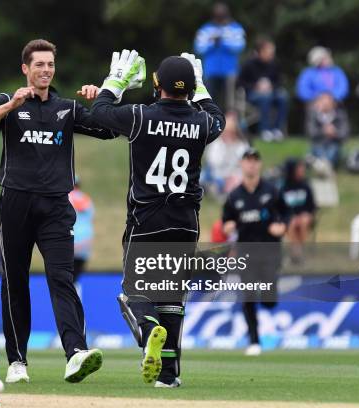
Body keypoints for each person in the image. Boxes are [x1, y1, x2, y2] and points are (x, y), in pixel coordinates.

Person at [0, 39, 116, 384]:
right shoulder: (7, 101)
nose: (46, 70)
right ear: (26, 69)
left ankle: (75, 353)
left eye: (50, 64)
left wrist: (103, 100)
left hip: (55, 206)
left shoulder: (66, 108)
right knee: (15, 281)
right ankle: (18, 360)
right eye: (39, 64)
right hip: (15, 204)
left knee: (61, 278)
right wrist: (9, 108)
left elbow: (109, 131)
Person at [88, 50, 225, 387]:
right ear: (189, 88)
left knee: (133, 293)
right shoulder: (202, 122)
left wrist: (115, 80)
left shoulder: (141, 116)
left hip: (148, 217)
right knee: (172, 298)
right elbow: (217, 117)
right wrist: (202, 86)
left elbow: (99, 112)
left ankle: (149, 331)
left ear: (157, 85)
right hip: (185, 220)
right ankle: (168, 375)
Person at [222, 148, 287, 356]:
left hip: (270, 251)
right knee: (248, 295)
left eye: (255, 160)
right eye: (247, 160)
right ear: (242, 164)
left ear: (259, 164)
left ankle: (268, 301)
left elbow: (286, 213)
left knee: (269, 300)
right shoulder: (235, 196)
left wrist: (282, 226)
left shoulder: (272, 190)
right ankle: (254, 341)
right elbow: (226, 221)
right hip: (246, 251)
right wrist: (229, 226)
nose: (251, 164)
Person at [194, 2, 245, 111]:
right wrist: (213, 44)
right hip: (211, 71)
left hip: (229, 71)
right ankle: (210, 120)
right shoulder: (205, 29)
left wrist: (223, 42)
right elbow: (198, 48)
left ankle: (228, 124)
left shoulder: (235, 28)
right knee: (209, 99)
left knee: (229, 102)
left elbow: (240, 46)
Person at [238, 37, 289, 141]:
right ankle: (265, 130)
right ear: (260, 51)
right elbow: (240, 83)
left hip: (271, 92)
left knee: (283, 96)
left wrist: (271, 86)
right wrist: (256, 86)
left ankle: (277, 130)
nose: (271, 54)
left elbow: (279, 81)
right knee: (265, 97)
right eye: (269, 51)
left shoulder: (274, 64)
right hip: (252, 95)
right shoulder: (248, 64)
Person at [202, 111, 248, 198]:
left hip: (233, 176)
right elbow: (213, 162)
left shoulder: (242, 146)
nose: (227, 135)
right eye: (225, 132)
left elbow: (242, 166)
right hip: (216, 175)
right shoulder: (216, 143)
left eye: (230, 132)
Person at [280, 159, 316, 264]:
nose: (302, 170)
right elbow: (281, 207)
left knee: (303, 221)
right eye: (299, 168)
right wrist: (291, 216)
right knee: (292, 223)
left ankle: (297, 253)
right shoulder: (284, 187)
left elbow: (311, 205)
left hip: (305, 216)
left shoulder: (306, 186)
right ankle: (297, 254)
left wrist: (305, 214)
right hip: (290, 217)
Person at [306, 92, 349, 168]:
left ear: (333, 103)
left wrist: (334, 133)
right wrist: (323, 131)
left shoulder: (340, 115)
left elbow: (344, 135)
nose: (325, 103)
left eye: (328, 101)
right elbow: (311, 133)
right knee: (317, 149)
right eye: (322, 101)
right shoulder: (313, 115)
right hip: (318, 144)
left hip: (334, 145)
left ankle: (322, 165)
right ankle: (324, 165)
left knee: (333, 150)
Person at [68, 177, 94, 280]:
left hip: (68, 240)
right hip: (85, 242)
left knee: (65, 278)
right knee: (75, 278)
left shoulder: (65, 197)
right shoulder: (87, 199)